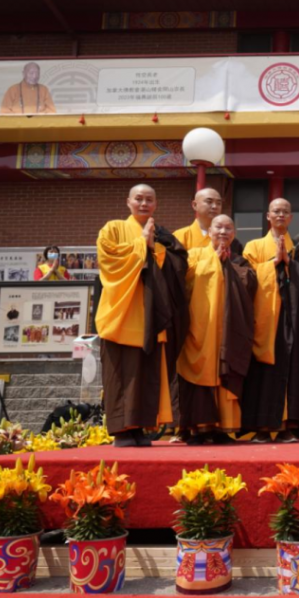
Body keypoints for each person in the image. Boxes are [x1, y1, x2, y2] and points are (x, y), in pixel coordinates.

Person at [95, 184, 187, 447]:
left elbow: (176, 265)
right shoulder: (112, 228)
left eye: (149, 200)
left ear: (156, 204)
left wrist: (156, 247)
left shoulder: (162, 234)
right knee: (120, 374)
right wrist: (141, 244)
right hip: (122, 314)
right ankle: (122, 431)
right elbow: (109, 260)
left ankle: (140, 428)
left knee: (146, 375)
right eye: (139, 199)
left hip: (150, 315)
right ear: (128, 202)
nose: (144, 204)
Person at [240, 198, 299, 443]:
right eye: (276, 211)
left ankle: (287, 427)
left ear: (291, 218)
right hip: (265, 316)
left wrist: (290, 263)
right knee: (263, 370)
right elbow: (246, 278)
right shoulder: (253, 246)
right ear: (267, 216)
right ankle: (262, 427)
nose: (281, 215)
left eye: (285, 211)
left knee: (293, 368)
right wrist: (273, 264)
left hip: (292, 316)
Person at [176, 215, 256, 444]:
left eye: (228, 227)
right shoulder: (194, 255)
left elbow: (252, 284)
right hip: (199, 328)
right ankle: (197, 429)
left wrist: (228, 266)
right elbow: (183, 280)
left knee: (225, 374)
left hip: (227, 331)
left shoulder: (239, 261)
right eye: (218, 227)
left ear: (234, 233)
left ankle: (222, 429)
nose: (223, 231)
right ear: (209, 231)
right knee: (197, 377)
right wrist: (215, 262)